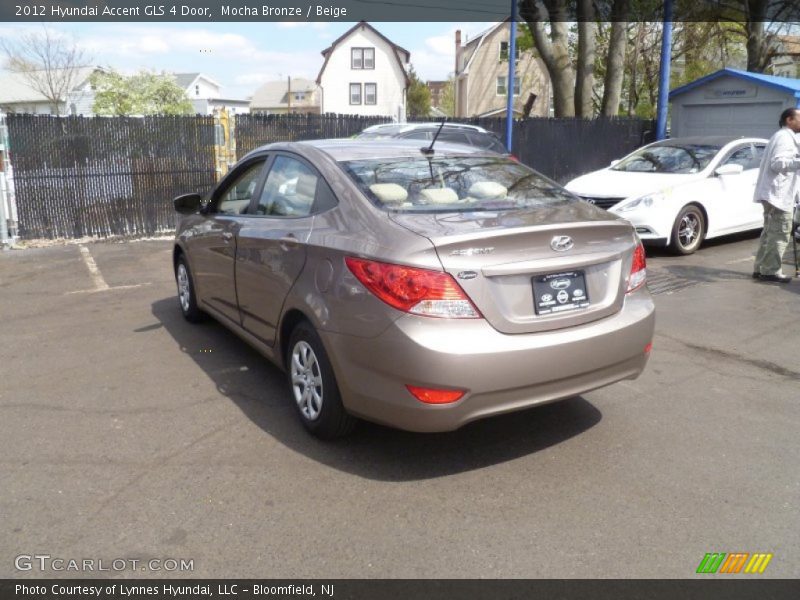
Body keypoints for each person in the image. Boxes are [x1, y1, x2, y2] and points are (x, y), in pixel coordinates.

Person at [753, 107, 800, 283]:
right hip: (778, 196)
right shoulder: (784, 138)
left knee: (769, 232)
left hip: (773, 194)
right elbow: (778, 164)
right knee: (780, 232)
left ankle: (761, 268)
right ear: (789, 120)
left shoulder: (784, 137)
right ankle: (770, 271)